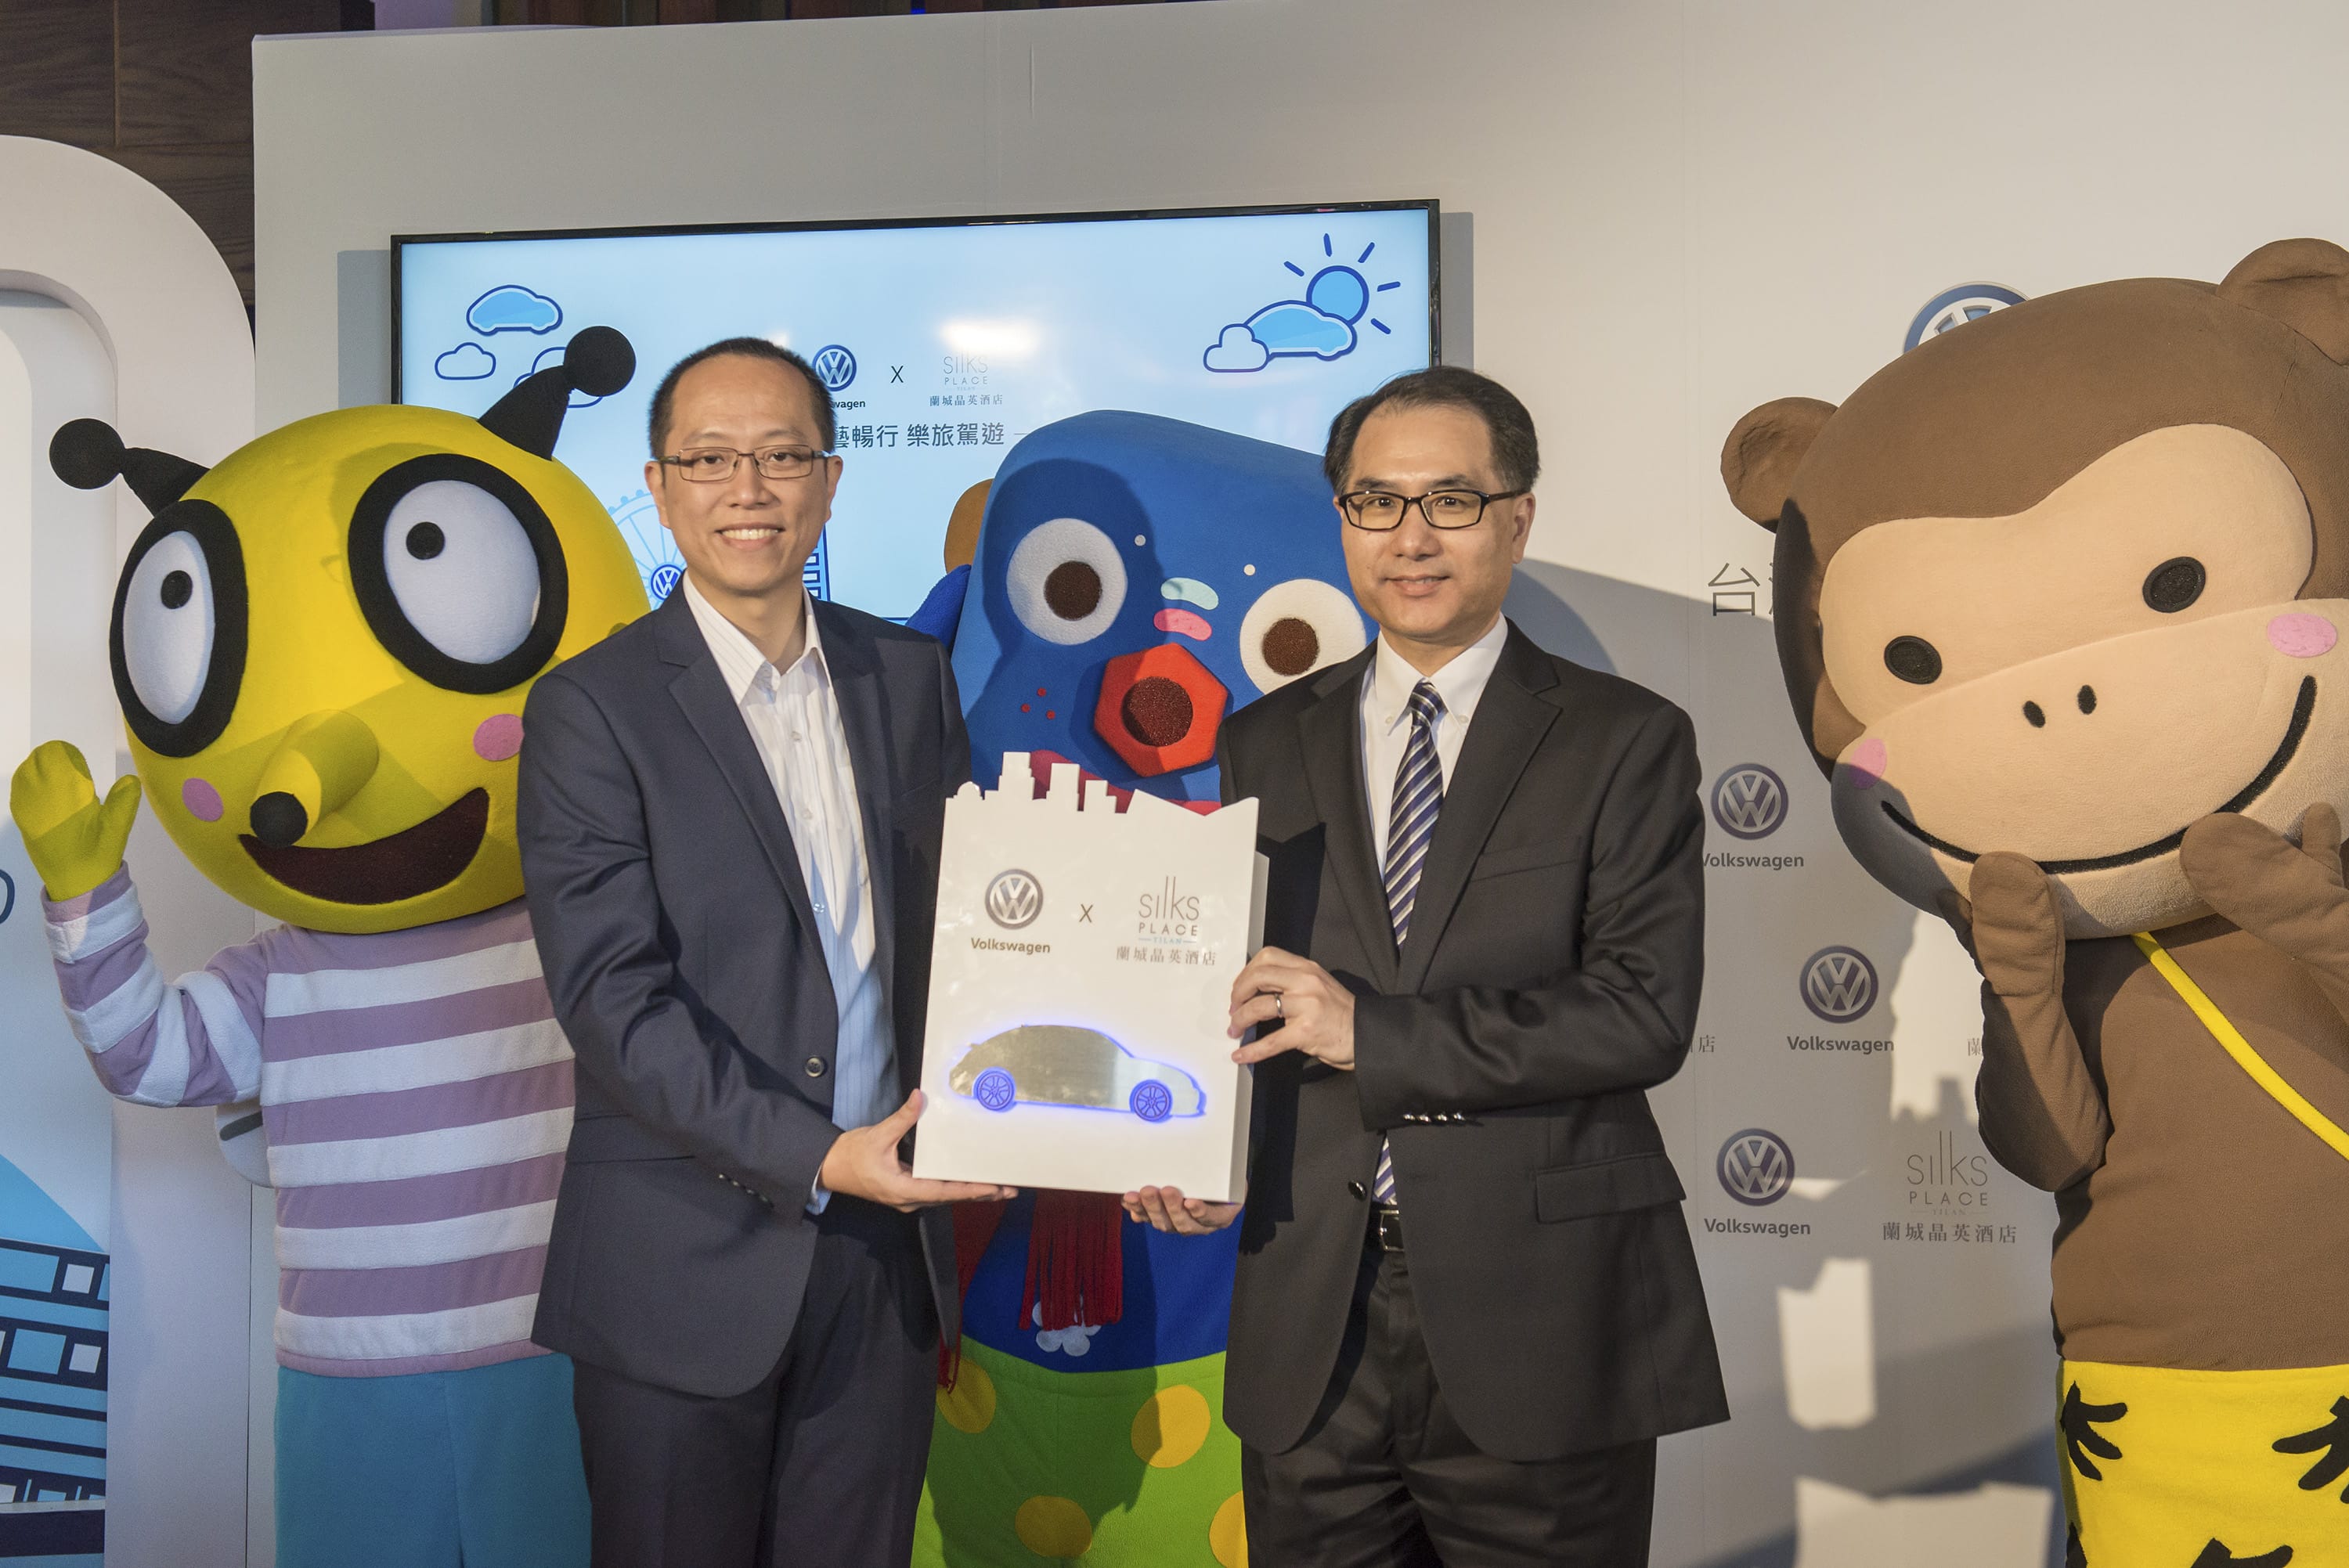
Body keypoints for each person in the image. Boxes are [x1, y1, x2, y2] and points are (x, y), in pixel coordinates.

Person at [1125, 366, 1728, 1565]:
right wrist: (1202, 1144)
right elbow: (1247, 993)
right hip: (1314, 1323)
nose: (1411, 537)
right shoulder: (1263, 739)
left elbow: (1641, 1013)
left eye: (1451, 501)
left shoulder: (1624, 739)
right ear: (1343, 518)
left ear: (1518, 517)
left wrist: (1374, 1036)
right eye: (1376, 502)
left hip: (1542, 1322)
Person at [517, 337, 1012, 1568]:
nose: (748, 488)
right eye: (710, 459)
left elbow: (972, 937)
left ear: (830, 481)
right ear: (660, 485)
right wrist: (819, 1155)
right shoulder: (591, 707)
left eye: (783, 456)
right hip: (677, 1265)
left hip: (884, 1257)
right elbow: (612, 1000)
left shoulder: (909, 676)